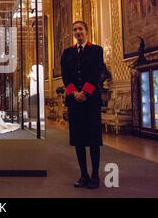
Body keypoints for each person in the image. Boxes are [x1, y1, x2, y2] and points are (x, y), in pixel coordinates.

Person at [60, 21, 104, 189]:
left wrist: (85, 92)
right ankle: (83, 175)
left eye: (80, 29)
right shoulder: (67, 53)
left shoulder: (96, 50)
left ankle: (95, 176)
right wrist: (74, 93)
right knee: (78, 140)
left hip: (91, 101)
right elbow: (66, 75)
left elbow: (96, 72)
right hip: (74, 102)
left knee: (93, 140)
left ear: (86, 31)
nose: (78, 32)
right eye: (75, 30)